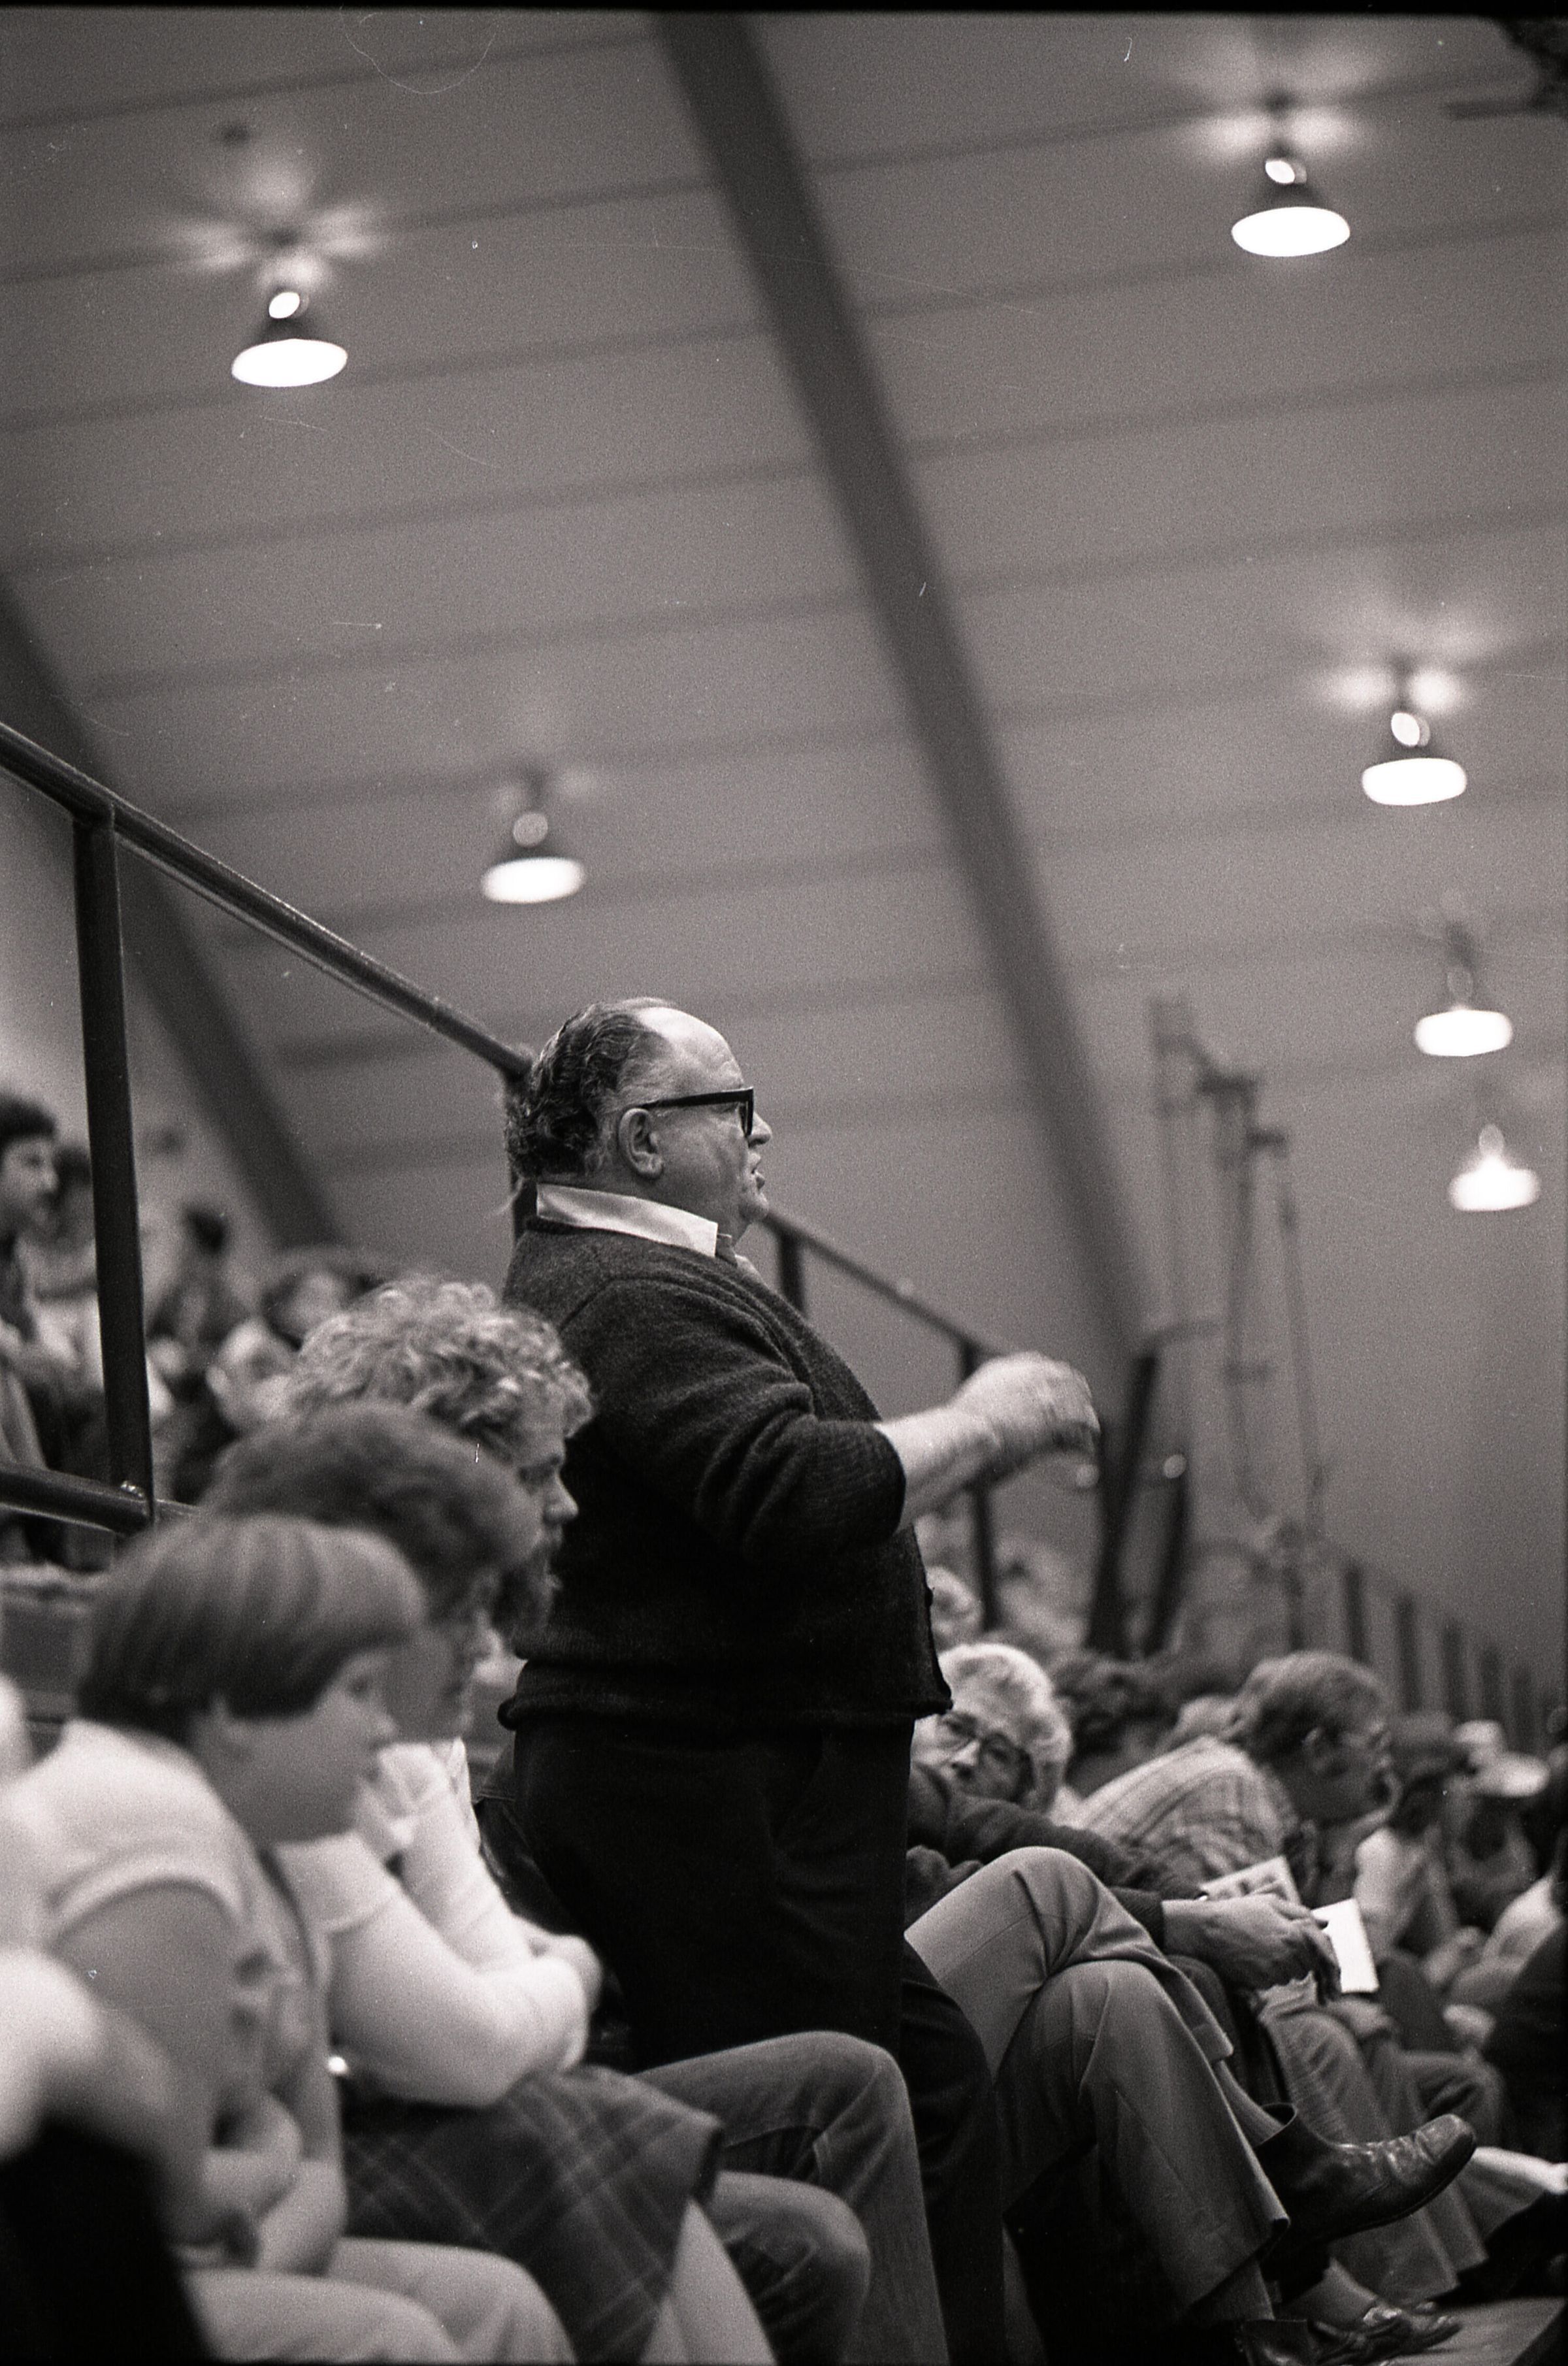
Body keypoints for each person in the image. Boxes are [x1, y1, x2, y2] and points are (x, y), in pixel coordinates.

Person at [492, 997, 1100, 2361]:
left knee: (925, 2095)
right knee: (847, 2130)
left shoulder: (646, 1276)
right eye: (734, 1103)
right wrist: (987, 1422)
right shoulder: (619, 1288)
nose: (764, 1130)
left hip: (753, 1779)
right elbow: (793, 1489)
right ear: (642, 1139)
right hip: (715, 1790)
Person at [223, 1294, 949, 2363]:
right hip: (403, 2117)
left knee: (845, 2076)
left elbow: (476, 1988)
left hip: (439, 2096)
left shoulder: (407, 1691)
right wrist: (558, 1977)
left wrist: (526, 1991)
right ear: (442, 1480)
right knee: (627, 2159)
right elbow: (465, 2042)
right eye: (538, 1471)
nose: (569, 1502)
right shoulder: (320, 1700)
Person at [4, 1514, 577, 2361]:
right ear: (234, 1710)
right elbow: (166, 2202)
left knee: (501, 2306)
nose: (384, 1729)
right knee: (400, 2340)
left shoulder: (271, 1840)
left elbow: (319, 2171)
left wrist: (273, 2173)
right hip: (75, 2285)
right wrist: (271, 2156)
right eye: (358, 1691)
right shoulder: (151, 1816)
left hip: (199, 2251)